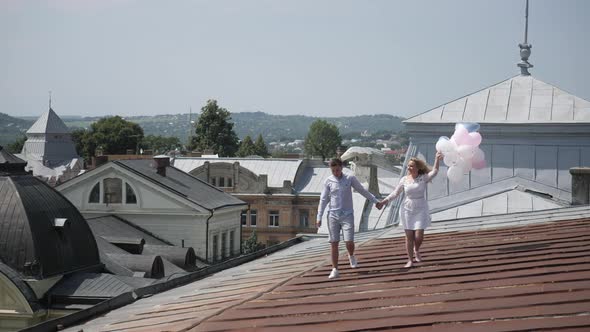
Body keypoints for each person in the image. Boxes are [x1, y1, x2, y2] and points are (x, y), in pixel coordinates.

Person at [317, 158, 382, 279]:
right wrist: (319, 216)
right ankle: (335, 269)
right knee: (334, 243)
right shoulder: (328, 181)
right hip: (333, 215)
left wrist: (375, 201)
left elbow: (362, 191)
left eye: (337, 170)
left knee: (349, 241)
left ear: (341, 167)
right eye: (333, 170)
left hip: (347, 215)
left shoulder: (349, 178)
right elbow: (323, 199)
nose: (335, 172)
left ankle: (351, 254)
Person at [376, 151, 443, 268]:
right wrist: (383, 202)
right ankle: (410, 260)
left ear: (417, 168)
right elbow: (395, 193)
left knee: (419, 235)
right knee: (409, 236)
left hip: (421, 207)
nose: (409, 167)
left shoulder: (423, 178)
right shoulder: (404, 180)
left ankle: (416, 249)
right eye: (408, 165)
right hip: (407, 208)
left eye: (411, 165)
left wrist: (437, 159)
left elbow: (435, 171)